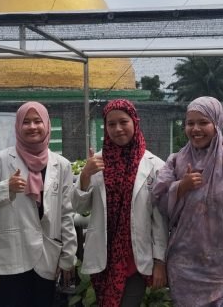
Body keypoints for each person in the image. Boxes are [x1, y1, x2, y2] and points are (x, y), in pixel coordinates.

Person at [152, 96, 223, 306]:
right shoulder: (176, 161)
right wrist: (181, 187)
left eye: (203, 122)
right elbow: (159, 200)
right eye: (190, 123)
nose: (196, 129)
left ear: (217, 123)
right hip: (184, 265)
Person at [0, 101, 77, 307]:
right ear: (18, 126)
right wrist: (5, 188)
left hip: (47, 254)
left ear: (47, 124)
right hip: (15, 254)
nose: (32, 126)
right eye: (26, 122)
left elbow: (66, 214)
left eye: (37, 121)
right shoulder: (1, 159)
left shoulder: (61, 164)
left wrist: (68, 256)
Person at [73, 99, 167, 307]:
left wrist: (160, 261)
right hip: (104, 257)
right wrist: (86, 175)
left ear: (135, 122)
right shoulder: (96, 163)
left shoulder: (154, 166)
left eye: (123, 122)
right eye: (111, 124)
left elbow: (159, 220)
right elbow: (80, 207)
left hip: (135, 257)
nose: (117, 129)